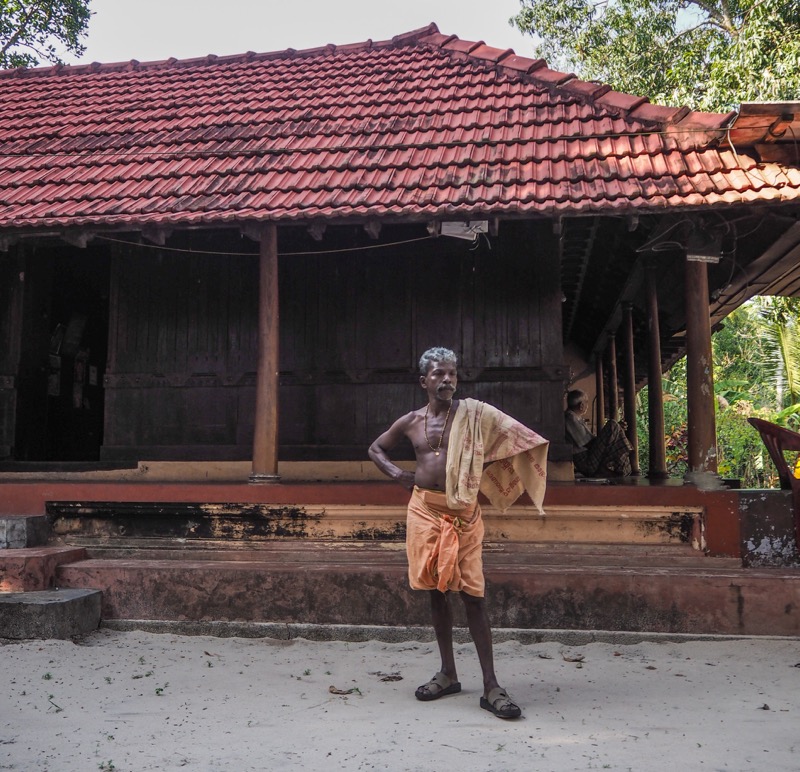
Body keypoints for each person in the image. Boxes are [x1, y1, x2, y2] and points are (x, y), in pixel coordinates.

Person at [368, 346, 549, 720]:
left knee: (473, 595)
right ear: (424, 381)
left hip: (463, 513)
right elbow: (375, 448)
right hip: (424, 511)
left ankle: (491, 686)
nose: (447, 379)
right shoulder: (411, 422)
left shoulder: (475, 415)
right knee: (435, 590)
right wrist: (398, 475)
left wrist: (494, 479)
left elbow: (519, 438)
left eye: (452, 373)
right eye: (438, 374)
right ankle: (448, 673)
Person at [564, 389, 632, 477]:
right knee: (613, 425)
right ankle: (625, 463)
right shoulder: (570, 418)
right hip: (586, 461)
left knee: (615, 431)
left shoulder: (576, 418)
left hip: (589, 456)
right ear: (581, 405)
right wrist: (609, 436)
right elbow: (588, 443)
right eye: (586, 402)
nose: (587, 406)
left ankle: (622, 468)